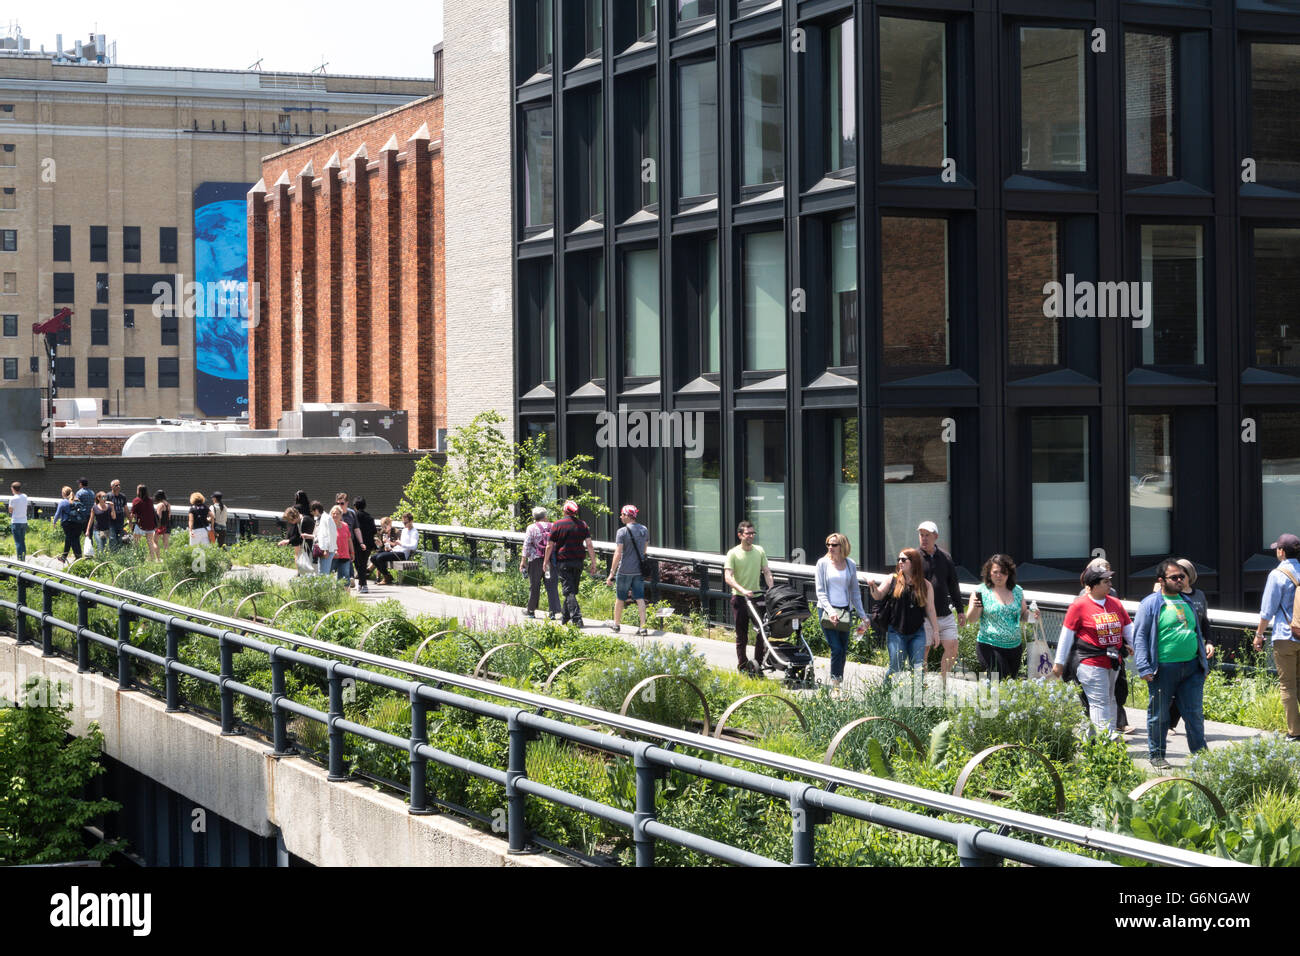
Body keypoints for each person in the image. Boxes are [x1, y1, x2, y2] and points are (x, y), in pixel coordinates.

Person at [1134, 558, 1210, 769]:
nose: (1180, 580)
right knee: (1159, 713)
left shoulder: (1187, 602)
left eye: (1182, 576)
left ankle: (1201, 755)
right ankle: (1157, 754)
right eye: (1174, 577)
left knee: (1194, 713)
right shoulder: (1150, 603)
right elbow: (1139, 636)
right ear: (1161, 580)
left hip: (1192, 667)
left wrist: (1203, 663)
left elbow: (1198, 631)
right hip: (1163, 668)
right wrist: (1143, 666)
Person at [1053, 564, 1134, 734]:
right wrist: (1059, 663)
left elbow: (1129, 629)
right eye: (1106, 581)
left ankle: (1094, 743)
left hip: (1113, 662)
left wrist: (1137, 650)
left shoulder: (1116, 604)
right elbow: (1066, 635)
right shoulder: (1079, 605)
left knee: (1111, 700)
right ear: (1092, 585)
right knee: (1100, 702)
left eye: (1109, 580)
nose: (1110, 584)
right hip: (1090, 662)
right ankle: (1106, 745)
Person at [1254, 532, 1300, 741]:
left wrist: (1259, 635)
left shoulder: (1277, 574)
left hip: (1285, 636)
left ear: (1281, 551)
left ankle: (1295, 732)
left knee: (1287, 685)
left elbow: (1267, 611)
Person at [869, 548, 941, 677]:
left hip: (917, 632)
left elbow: (930, 609)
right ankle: (886, 695)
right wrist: (873, 588)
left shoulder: (926, 585)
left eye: (903, 559)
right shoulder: (893, 579)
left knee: (918, 669)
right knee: (896, 667)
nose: (900, 562)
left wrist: (936, 632)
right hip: (896, 631)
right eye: (899, 560)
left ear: (914, 562)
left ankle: (917, 697)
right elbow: (878, 596)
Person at [814, 531, 868, 695]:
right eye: (828, 544)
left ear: (842, 546)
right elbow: (820, 591)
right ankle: (835, 686)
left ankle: (839, 682)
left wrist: (863, 615)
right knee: (836, 648)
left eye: (834, 545)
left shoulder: (850, 564)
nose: (830, 547)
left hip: (845, 611)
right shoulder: (822, 563)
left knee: (843, 649)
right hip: (827, 610)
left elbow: (855, 592)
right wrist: (830, 611)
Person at [723, 520, 776, 674]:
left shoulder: (759, 551)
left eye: (753, 533)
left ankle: (757, 665)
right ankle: (742, 666)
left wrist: (771, 589)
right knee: (742, 635)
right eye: (748, 534)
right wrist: (742, 589)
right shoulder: (733, 553)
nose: (751, 536)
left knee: (763, 630)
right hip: (740, 598)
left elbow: (766, 571)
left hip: (757, 597)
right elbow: (728, 577)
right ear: (740, 535)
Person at [965, 554, 1028, 680]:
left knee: (1010, 684)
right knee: (1001, 680)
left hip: (1014, 647)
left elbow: (1023, 615)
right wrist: (975, 607)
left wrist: (1032, 614)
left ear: (1009, 573)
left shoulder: (1017, 591)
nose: (999, 576)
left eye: (1003, 572)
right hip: (989, 645)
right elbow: (971, 619)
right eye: (995, 572)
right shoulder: (981, 591)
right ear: (989, 573)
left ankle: (987, 699)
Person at [916, 521, 965, 681]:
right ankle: (922, 686)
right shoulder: (914, 558)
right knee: (924, 651)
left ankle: (942, 684)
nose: (924, 538)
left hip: (944, 613)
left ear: (935, 536)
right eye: (921, 535)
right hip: (923, 615)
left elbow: (953, 585)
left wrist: (960, 610)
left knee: (952, 648)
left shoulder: (945, 557)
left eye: (927, 535)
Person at [543, 501, 599, 628]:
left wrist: (545, 561)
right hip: (578, 561)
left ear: (565, 511)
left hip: (563, 561)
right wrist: (593, 563)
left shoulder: (557, 524)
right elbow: (589, 544)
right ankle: (565, 617)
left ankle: (577, 619)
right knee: (571, 589)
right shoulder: (583, 525)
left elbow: (549, 545)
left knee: (569, 591)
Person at [606, 504, 650, 636]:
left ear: (627, 516)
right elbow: (644, 550)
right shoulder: (644, 529)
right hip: (638, 570)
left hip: (624, 570)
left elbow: (618, 553)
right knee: (640, 598)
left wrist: (611, 573)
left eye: (622, 515)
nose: (620, 517)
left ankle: (616, 625)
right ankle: (643, 627)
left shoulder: (622, 532)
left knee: (620, 598)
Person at [520, 506, 560, 620]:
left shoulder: (531, 528)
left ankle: (531, 611)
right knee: (551, 585)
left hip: (535, 561)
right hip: (549, 561)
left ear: (534, 517)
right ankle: (552, 612)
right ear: (545, 516)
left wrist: (523, 561)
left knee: (534, 585)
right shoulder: (553, 526)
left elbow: (526, 545)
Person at [371, 514, 418, 584]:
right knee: (373, 558)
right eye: (403, 522)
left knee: (380, 557)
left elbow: (414, 546)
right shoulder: (404, 530)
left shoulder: (414, 532)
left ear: (411, 521)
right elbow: (399, 544)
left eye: (406, 522)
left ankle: (387, 578)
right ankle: (388, 576)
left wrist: (401, 544)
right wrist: (391, 547)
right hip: (397, 551)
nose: (404, 524)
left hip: (403, 554)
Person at [353, 497, 376, 593]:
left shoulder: (354, 516)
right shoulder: (369, 517)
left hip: (357, 543)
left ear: (355, 506)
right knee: (363, 564)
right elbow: (374, 530)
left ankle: (364, 585)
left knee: (358, 564)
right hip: (369, 544)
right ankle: (360, 584)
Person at [53, 486, 82, 562]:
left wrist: (54, 522)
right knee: (73, 539)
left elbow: (57, 513)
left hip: (67, 523)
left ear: (63, 493)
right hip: (78, 523)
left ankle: (77, 557)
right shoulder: (77, 500)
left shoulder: (63, 502)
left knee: (70, 539)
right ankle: (69, 556)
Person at [131, 484, 159, 561]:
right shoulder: (150, 500)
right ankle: (152, 558)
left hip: (141, 524)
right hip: (150, 524)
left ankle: (135, 557)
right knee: (150, 542)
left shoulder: (136, 500)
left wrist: (130, 521)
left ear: (139, 491)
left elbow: (132, 513)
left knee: (135, 542)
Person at [311, 501, 337, 576]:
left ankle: (325, 588)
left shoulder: (326, 518)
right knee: (321, 572)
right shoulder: (320, 518)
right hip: (322, 549)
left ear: (316, 510)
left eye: (312, 511)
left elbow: (329, 535)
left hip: (326, 550)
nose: (312, 513)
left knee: (323, 574)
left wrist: (326, 550)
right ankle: (323, 587)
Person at [279, 506, 307, 572]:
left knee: (299, 555)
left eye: (290, 520)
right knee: (297, 555)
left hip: (300, 540)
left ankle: (300, 572)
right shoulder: (294, 521)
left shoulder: (302, 520)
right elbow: (291, 531)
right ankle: (299, 572)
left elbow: (296, 533)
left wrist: (288, 540)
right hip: (296, 540)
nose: (290, 522)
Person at [6, 481, 28, 561]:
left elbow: (10, 511)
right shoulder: (25, 496)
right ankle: (23, 558)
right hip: (24, 521)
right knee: (22, 541)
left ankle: (19, 560)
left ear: (13, 489)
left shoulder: (12, 498)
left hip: (16, 522)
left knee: (18, 542)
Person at [331, 505, 354, 583]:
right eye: (333, 513)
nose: (335, 515)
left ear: (341, 515)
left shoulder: (345, 525)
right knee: (329, 576)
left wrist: (352, 552)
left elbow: (349, 540)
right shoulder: (329, 526)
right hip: (333, 555)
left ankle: (345, 594)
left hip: (345, 555)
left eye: (337, 513)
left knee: (345, 577)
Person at [107, 479, 128, 550]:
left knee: (120, 538)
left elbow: (126, 508)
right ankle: (113, 553)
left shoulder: (123, 496)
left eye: (119, 485)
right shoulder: (107, 495)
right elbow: (99, 501)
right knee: (112, 538)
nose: (118, 486)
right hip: (111, 521)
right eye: (116, 485)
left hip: (120, 520)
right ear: (112, 487)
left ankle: (119, 552)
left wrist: (130, 519)